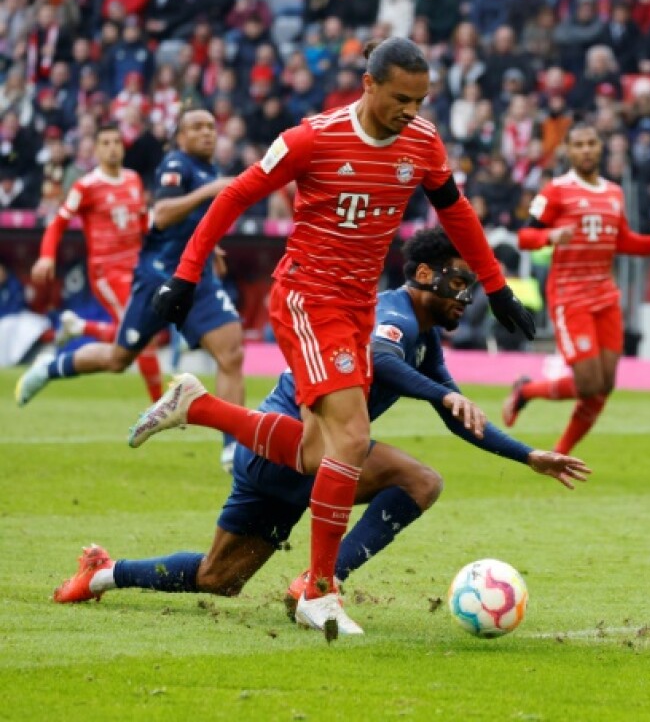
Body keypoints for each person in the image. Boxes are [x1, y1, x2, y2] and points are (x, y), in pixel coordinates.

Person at [148, 38, 535, 637]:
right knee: (352, 438)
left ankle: (199, 406)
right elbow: (234, 197)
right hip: (307, 295)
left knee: (317, 452)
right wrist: (185, 273)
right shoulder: (312, 138)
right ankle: (320, 591)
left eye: (421, 99)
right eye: (401, 98)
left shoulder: (423, 142)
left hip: (355, 305)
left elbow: (455, 212)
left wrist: (498, 287)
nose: (411, 110)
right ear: (369, 84)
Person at [53, 228, 589, 631]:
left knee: (218, 579)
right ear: (425, 275)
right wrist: (442, 391)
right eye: (460, 281)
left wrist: (526, 456)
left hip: (277, 456)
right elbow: (380, 358)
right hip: (291, 442)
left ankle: (102, 572)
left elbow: (456, 415)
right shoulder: (395, 315)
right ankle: (321, 583)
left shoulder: (426, 340)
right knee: (421, 482)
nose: (466, 295)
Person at [16, 109, 246, 470]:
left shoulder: (142, 180)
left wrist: (211, 243)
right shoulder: (173, 166)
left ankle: (233, 450)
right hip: (149, 276)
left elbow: (158, 222)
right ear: (179, 137)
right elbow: (165, 213)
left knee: (231, 353)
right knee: (121, 357)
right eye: (197, 128)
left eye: (211, 128)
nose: (207, 133)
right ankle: (53, 367)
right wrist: (46, 256)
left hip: (192, 275)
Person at [502, 124, 650, 455]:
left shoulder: (614, 192)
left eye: (591, 143)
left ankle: (561, 451)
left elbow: (621, 240)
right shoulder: (555, 191)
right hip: (570, 296)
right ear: (568, 150)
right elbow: (525, 237)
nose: (586, 149)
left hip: (605, 295)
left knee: (605, 384)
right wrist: (549, 237)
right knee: (587, 383)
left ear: (601, 148)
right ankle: (526, 391)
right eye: (579, 144)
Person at [28, 124, 163, 402]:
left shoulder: (133, 179)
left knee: (130, 340)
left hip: (138, 268)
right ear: (97, 149)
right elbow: (58, 223)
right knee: (143, 334)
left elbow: (142, 226)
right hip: (107, 271)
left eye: (116, 141)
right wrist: (46, 255)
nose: (112, 147)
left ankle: (79, 328)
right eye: (106, 142)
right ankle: (160, 405)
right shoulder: (86, 186)